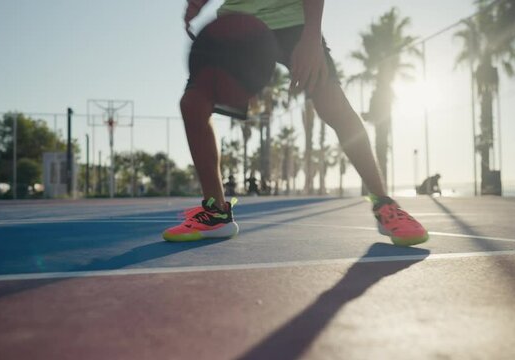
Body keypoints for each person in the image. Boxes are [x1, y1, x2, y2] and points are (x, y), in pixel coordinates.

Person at [163, 0, 429, 246]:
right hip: (237, 23)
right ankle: (216, 213)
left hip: (293, 21)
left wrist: (311, 36)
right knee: (193, 105)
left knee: (333, 106)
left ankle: (384, 204)